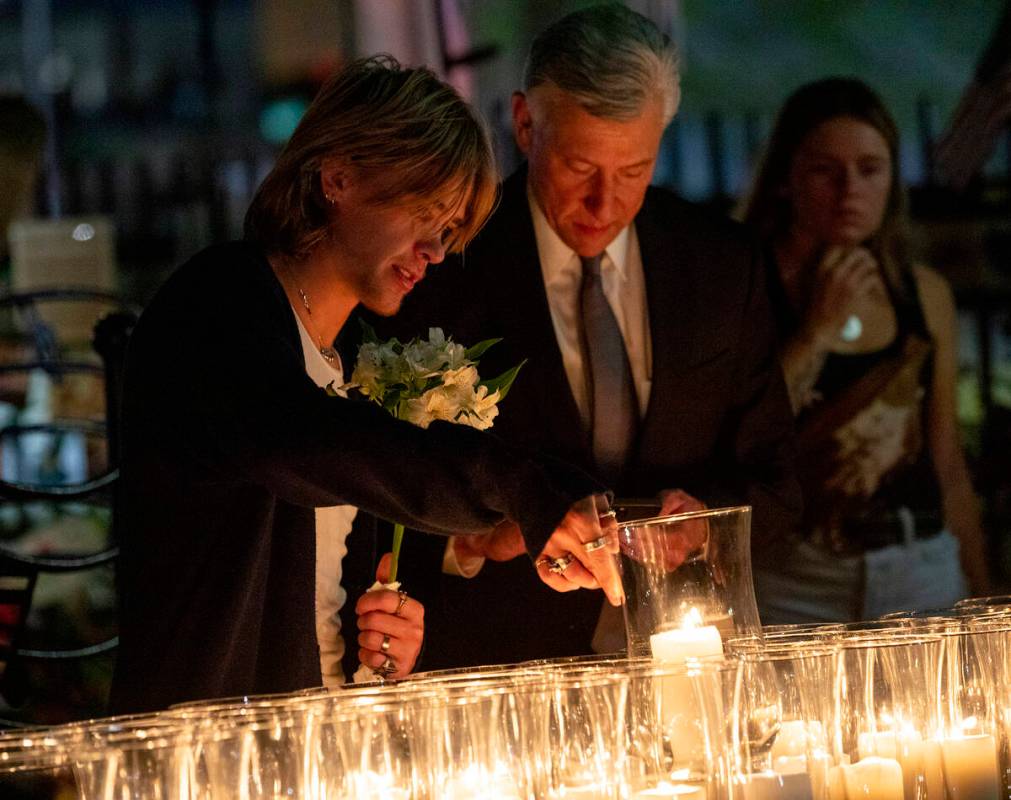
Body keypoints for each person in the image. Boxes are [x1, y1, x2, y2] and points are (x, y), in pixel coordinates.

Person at [109, 56, 622, 714]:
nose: (435, 252)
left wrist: (378, 640)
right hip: (201, 747)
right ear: (338, 177)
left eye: (448, 232)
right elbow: (299, 445)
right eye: (425, 215)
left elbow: (319, 582)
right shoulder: (220, 303)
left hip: (320, 742)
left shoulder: (348, 358)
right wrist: (517, 487)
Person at [361, 5, 801, 669]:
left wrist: (706, 525)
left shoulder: (718, 265)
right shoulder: (443, 265)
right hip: (503, 659)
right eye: (579, 167)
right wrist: (476, 540)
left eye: (633, 172)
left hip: (685, 653)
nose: (606, 204)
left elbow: (779, 478)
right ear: (524, 124)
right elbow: (376, 487)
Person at [740, 78, 990, 623]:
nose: (849, 189)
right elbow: (738, 436)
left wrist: (984, 593)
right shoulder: (744, 290)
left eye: (870, 170)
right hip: (795, 576)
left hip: (917, 566)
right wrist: (816, 333)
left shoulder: (920, 294)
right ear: (786, 178)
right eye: (825, 171)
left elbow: (946, 460)